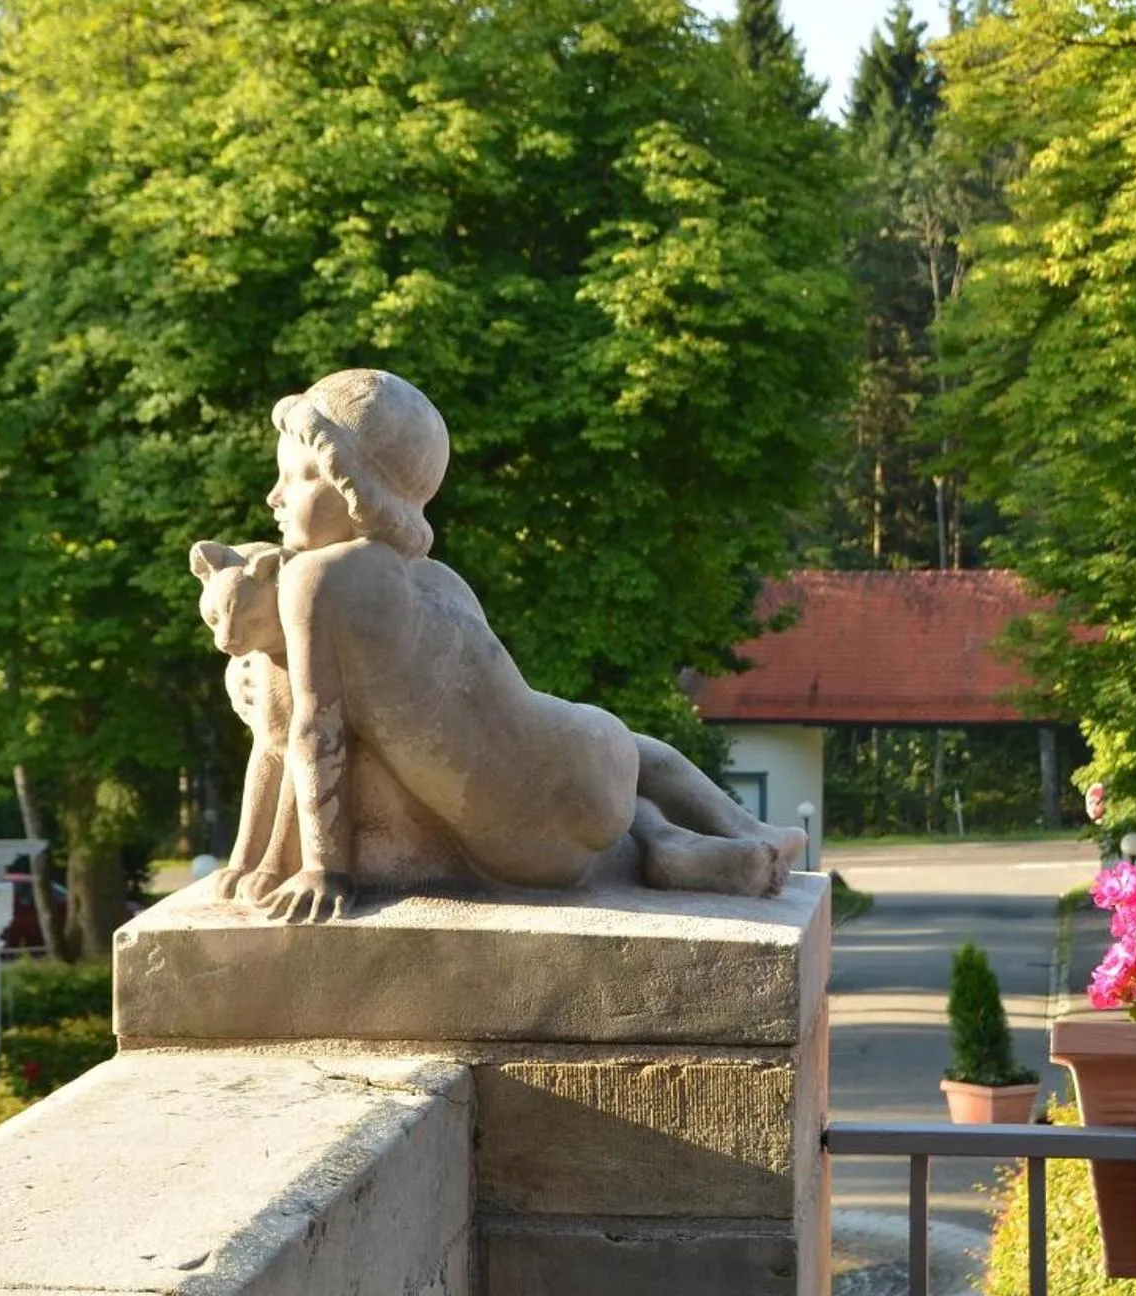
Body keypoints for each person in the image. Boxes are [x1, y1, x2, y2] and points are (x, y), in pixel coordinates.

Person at [246, 368, 804, 922]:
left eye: (295, 477)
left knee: (585, 808)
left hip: (521, 846)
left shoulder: (316, 581)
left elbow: (318, 729)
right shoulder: (438, 580)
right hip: (584, 755)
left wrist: (324, 867)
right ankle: (721, 834)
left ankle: (663, 844)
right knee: (624, 758)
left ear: (350, 483)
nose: (274, 496)